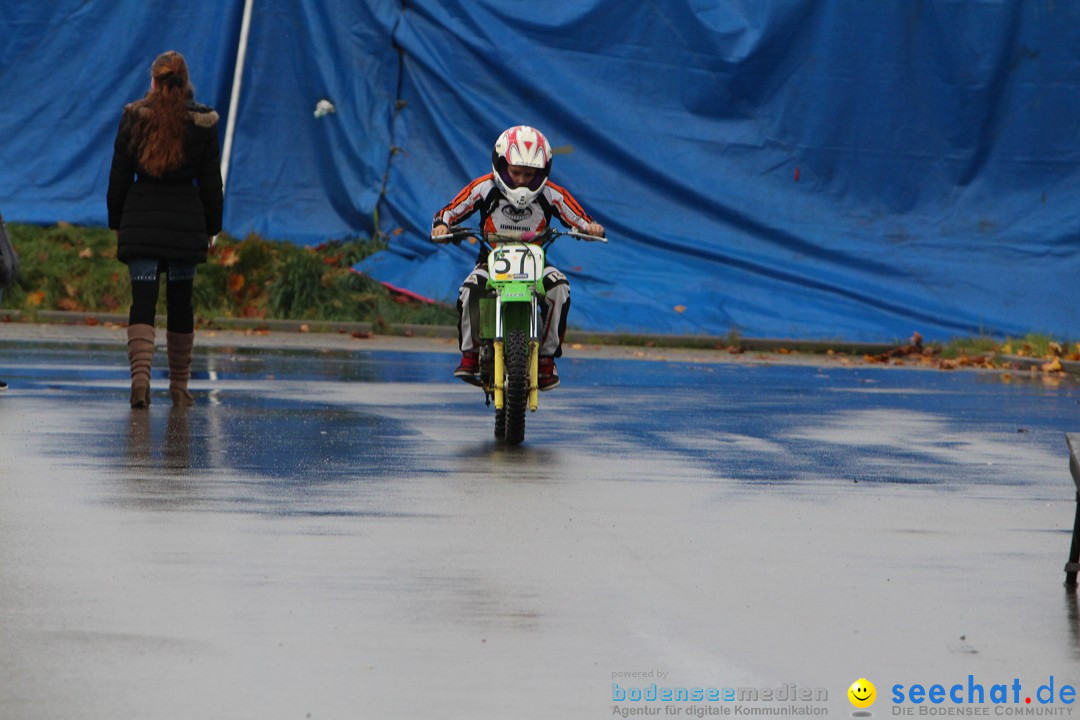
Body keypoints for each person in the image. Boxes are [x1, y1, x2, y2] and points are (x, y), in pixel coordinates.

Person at [431, 125, 604, 391]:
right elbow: (452, 209)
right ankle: (470, 353)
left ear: (542, 172)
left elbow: (578, 217)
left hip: (537, 266)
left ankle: (546, 359)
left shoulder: (551, 194)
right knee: (469, 291)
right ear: (501, 165)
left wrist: (590, 228)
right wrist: (443, 224)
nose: (522, 180)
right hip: (489, 263)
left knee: (560, 288)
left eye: (529, 174)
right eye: (515, 172)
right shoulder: (483, 188)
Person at [107, 51, 223, 408]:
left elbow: (119, 176)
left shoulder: (134, 118)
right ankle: (179, 388)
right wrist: (212, 228)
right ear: (185, 82)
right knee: (180, 303)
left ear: (154, 81)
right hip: (186, 222)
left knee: (142, 301)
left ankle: (140, 382)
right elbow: (210, 184)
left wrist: (117, 222)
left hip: (141, 217)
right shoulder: (203, 122)